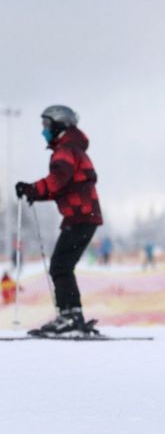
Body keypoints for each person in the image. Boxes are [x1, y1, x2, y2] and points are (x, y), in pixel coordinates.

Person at [15, 105, 103, 336]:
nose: (44, 131)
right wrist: (35, 192)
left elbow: (58, 180)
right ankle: (71, 314)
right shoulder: (72, 149)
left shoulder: (66, 150)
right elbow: (61, 186)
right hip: (83, 216)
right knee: (63, 266)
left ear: (59, 126)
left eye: (47, 126)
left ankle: (70, 317)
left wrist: (33, 189)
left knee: (60, 266)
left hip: (80, 216)